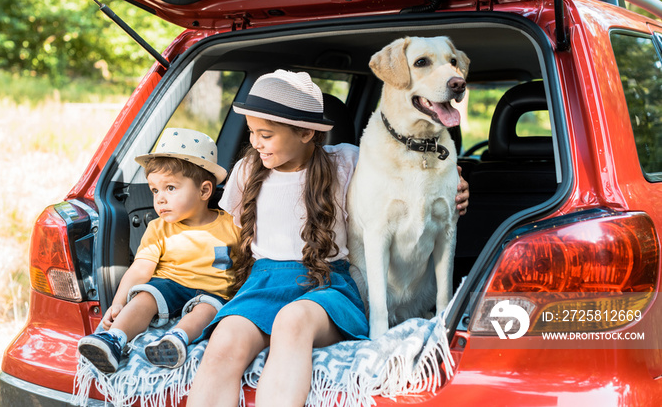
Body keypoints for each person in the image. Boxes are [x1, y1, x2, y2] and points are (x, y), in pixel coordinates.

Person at [186, 70, 469, 407]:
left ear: (306, 132)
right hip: (263, 284)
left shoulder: (347, 161)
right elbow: (229, 228)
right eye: (251, 133)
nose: (255, 143)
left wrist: (455, 186)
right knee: (225, 340)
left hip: (327, 283)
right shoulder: (248, 170)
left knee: (292, 323)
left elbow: (413, 179)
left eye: (265, 134)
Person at [77, 129, 239, 373]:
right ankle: (114, 340)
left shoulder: (232, 225)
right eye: (155, 190)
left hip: (213, 292)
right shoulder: (159, 228)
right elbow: (140, 270)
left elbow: (249, 265)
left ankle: (176, 341)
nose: (160, 199)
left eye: (170, 188)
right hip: (169, 286)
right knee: (146, 295)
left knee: (207, 309)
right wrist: (118, 303)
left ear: (204, 191)